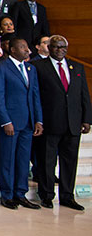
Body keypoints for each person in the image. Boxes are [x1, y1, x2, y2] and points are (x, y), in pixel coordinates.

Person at [32, 35, 91, 210]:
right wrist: (38, 120)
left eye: (63, 47)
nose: (60, 50)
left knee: (70, 162)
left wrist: (87, 119)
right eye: (56, 47)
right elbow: (36, 96)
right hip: (50, 122)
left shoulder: (77, 67)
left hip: (72, 123)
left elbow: (84, 95)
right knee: (47, 161)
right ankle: (47, 195)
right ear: (49, 48)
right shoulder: (38, 67)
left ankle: (67, 196)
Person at [0, 38, 43, 210]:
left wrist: (38, 119)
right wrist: (5, 120)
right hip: (10, 122)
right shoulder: (1, 67)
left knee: (23, 160)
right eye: (22, 47)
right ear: (13, 50)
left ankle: (20, 194)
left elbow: (35, 95)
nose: (27, 50)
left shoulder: (31, 68)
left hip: (27, 122)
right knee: (7, 159)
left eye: (27, 47)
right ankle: (7, 195)